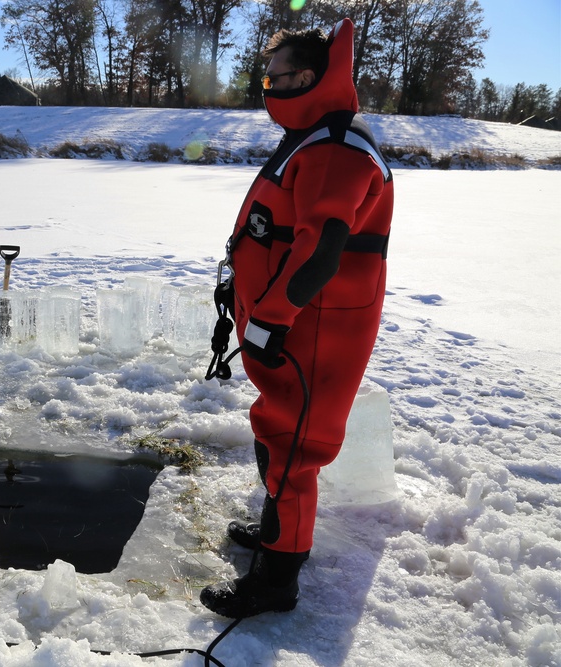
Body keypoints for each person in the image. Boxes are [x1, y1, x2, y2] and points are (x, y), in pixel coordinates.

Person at [200, 18, 393, 619]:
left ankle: (277, 582)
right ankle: (275, 536)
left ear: (306, 78)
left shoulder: (336, 146)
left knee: (293, 452)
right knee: (277, 434)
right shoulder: (314, 135)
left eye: (273, 76)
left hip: (313, 331)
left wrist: (270, 321)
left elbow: (320, 247)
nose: (266, 87)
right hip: (291, 326)